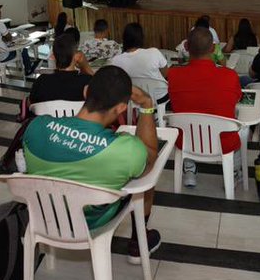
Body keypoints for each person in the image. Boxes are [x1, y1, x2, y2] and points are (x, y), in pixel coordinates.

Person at [23, 65, 162, 262]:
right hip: (91, 222)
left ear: (86, 91)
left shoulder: (36, 127)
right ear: (122, 108)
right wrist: (147, 105)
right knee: (143, 184)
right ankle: (139, 240)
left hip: (45, 216)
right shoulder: (127, 150)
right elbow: (151, 156)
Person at [167, 27, 244, 188]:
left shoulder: (173, 75)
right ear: (213, 48)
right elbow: (236, 99)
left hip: (187, 141)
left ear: (186, 47)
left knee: (186, 122)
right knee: (241, 127)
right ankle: (234, 172)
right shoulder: (229, 76)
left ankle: (189, 169)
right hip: (224, 142)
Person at [28, 34, 93, 109]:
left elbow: (30, 106)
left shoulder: (41, 81)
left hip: (49, 120)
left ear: (53, 56)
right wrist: (84, 64)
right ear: (77, 57)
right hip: (77, 120)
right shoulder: (86, 81)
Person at [110, 22, 169, 103]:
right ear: (141, 38)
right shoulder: (154, 52)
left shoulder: (116, 60)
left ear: (124, 39)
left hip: (133, 99)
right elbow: (165, 73)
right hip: (160, 97)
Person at [0, 1, 36, 76]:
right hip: (2, 57)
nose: (0, 12)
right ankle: (28, 70)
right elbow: (9, 38)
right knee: (23, 50)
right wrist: (6, 39)